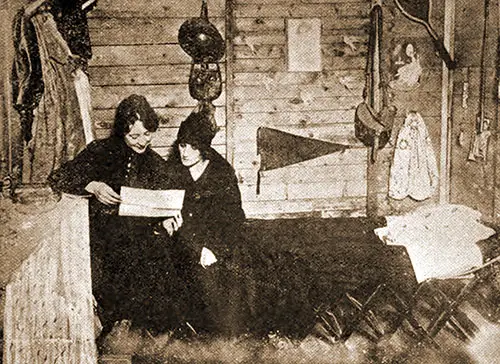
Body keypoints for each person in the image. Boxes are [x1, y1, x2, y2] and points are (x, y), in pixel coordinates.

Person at [49, 94, 183, 338]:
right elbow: (59, 177)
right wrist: (93, 185)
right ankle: (113, 327)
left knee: (159, 264)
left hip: (137, 241)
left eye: (147, 134)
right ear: (122, 131)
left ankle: (141, 332)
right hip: (98, 238)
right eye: (134, 136)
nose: (142, 141)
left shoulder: (155, 164)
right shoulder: (100, 152)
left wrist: (166, 218)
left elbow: (164, 203)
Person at [165, 110, 247, 337]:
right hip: (185, 241)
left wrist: (215, 249)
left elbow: (234, 219)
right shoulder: (173, 171)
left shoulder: (221, 173)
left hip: (217, 243)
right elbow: (166, 209)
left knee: (219, 287)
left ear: (204, 147)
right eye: (182, 145)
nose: (185, 152)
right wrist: (165, 222)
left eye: (193, 147)